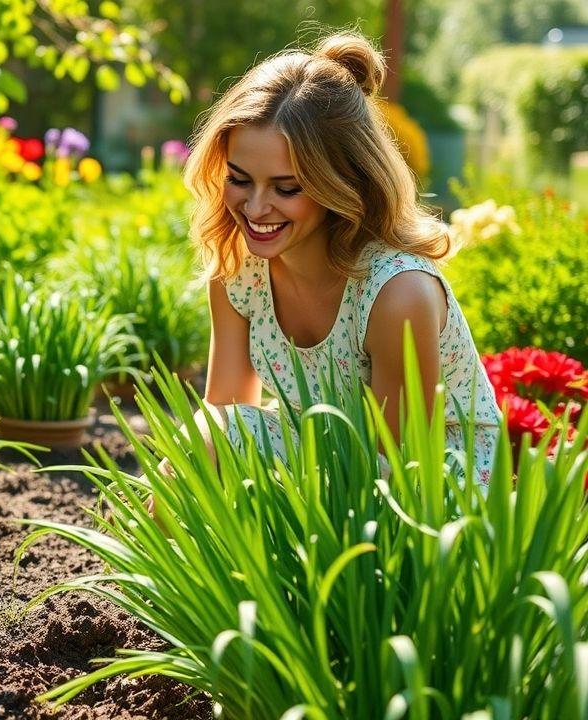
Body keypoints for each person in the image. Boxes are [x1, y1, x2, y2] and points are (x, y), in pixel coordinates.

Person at [169, 31, 501, 486]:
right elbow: (225, 410)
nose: (255, 208)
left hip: (430, 495)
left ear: (342, 183)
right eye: (240, 179)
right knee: (206, 438)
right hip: (326, 458)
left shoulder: (397, 293)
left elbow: (397, 467)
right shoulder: (238, 264)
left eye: (286, 188)